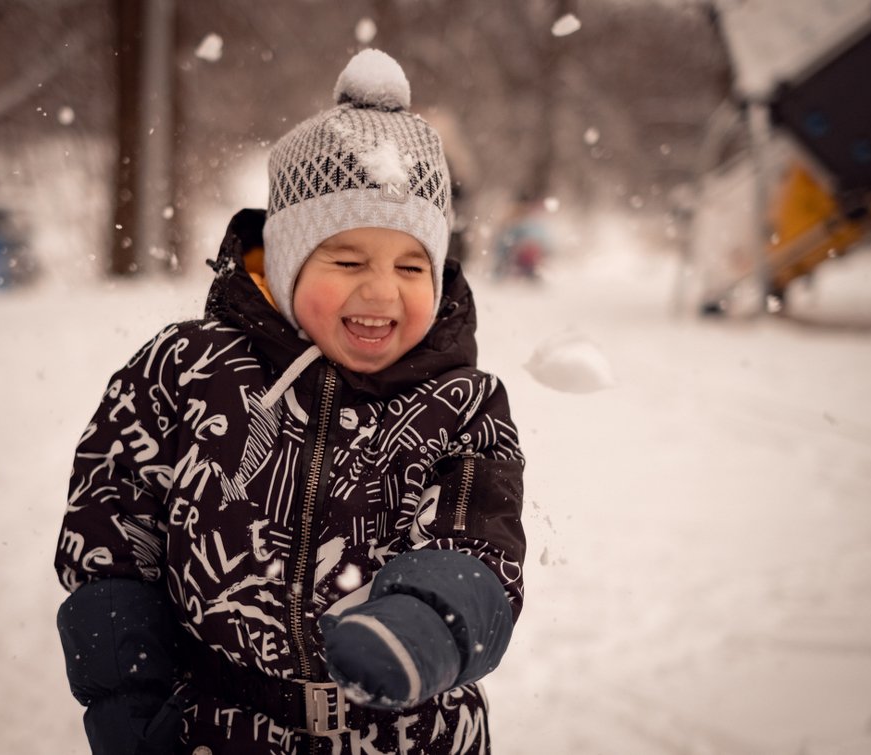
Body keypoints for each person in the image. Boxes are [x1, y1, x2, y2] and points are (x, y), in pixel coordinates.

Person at [54, 48, 526, 755]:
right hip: (217, 727)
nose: (382, 290)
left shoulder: (462, 406)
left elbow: (480, 550)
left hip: (411, 734)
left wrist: (423, 627)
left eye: (411, 265)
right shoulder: (184, 369)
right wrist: (127, 699)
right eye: (347, 260)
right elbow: (111, 538)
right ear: (284, 262)